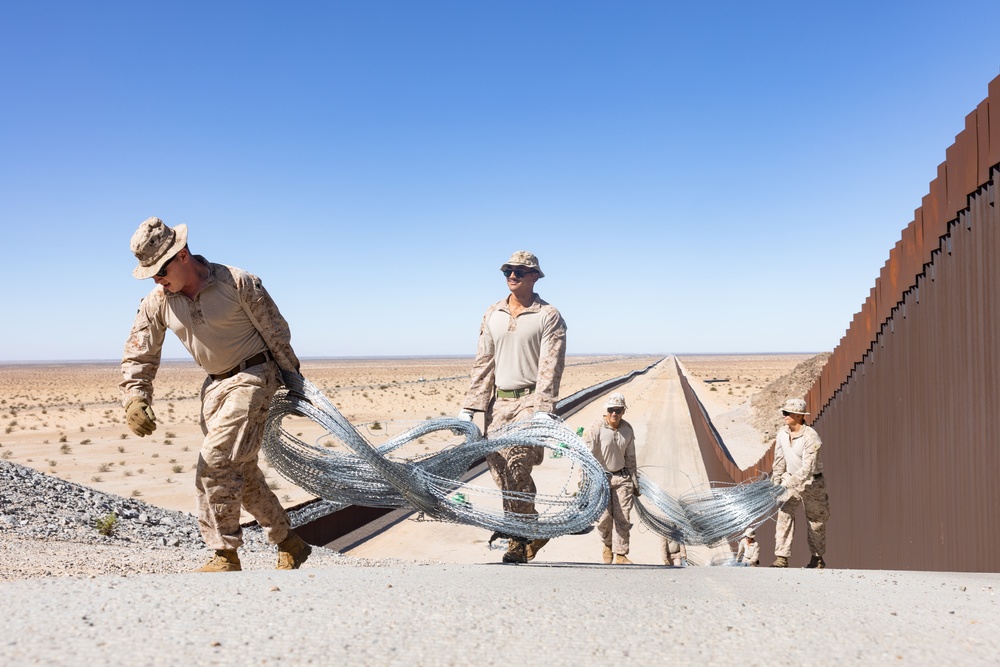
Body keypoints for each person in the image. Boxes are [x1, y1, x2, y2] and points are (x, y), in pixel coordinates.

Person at [120, 217, 312, 572]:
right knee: (242, 472)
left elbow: (276, 333)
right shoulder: (157, 301)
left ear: (181, 255)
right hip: (214, 388)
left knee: (215, 461)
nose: (157, 279)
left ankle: (225, 553)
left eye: (160, 270)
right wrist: (136, 397)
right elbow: (140, 353)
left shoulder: (237, 282)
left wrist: (294, 382)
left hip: (255, 376)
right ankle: (289, 542)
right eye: (151, 275)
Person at [459, 251, 567, 563]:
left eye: (520, 271)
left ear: (534, 276)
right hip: (499, 404)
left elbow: (550, 366)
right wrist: (470, 407)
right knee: (500, 473)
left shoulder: (548, 316)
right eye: (508, 270)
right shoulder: (492, 313)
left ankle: (517, 540)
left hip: (530, 403)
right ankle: (531, 528)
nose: (512, 275)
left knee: (518, 467)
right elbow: (484, 362)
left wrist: (543, 409)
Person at [770, 397, 830, 569]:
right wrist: (776, 481)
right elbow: (779, 460)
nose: (784, 416)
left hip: (812, 483)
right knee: (784, 515)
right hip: (789, 480)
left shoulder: (811, 437)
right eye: (784, 412)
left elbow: (808, 468)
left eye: (787, 413)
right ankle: (781, 557)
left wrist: (788, 482)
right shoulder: (782, 434)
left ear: (798, 416)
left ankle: (817, 558)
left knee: (815, 521)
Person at [585, 393, 638, 565]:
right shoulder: (596, 428)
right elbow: (585, 456)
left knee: (623, 517)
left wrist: (634, 481)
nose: (614, 413)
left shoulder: (627, 430)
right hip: (601, 478)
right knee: (604, 518)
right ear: (606, 411)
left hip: (622, 478)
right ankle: (607, 545)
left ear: (623, 411)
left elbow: (631, 457)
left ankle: (621, 554)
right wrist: (583, 483)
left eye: (618, 410)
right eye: (611, 410)